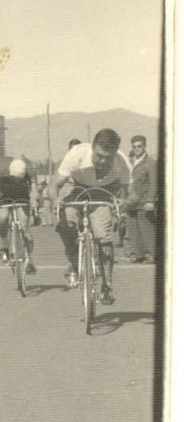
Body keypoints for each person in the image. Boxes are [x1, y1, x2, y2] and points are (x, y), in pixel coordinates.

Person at [47, 129, 131, 304]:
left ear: (115, 152)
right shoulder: (76, 154)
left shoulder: (121, 161)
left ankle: (107, 286)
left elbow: (130, 193)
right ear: (92, 147)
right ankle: (73, 262)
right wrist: (55, 201)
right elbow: (53, 187)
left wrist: (124, 203)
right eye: (99, 156)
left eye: (108, 158)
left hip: (102, 196)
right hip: (76, 192)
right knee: (66, 224)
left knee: (104, 237)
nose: (102, 161)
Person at [0, 158, 38, 274]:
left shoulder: (30, 171)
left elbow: (34, 190)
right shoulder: (0, 171)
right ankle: (4, 245)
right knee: (2, 217)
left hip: (21, 196)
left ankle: (29, 259)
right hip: (3, 196)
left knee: (25, 227)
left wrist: (34, 200)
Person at [125, 134, 156, 263]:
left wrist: (151, 200)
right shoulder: (131, 162)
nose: (137, 149)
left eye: (139, 146)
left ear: (144, 146)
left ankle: (150, 255)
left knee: (146, 229)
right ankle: (136, 255)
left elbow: (154, 182)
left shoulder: (150, 163)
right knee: (133, 230)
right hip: (131, 201)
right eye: (134, 146)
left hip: (143, 201)